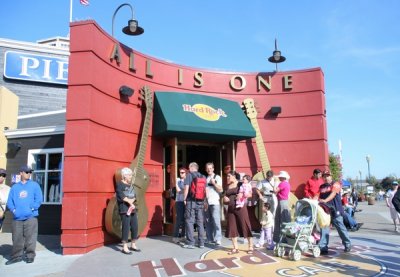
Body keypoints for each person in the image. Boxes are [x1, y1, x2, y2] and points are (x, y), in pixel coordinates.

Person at [6, 165, 42, 265]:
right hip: (17, 217)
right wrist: (14, 211)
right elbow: (10, 201)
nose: (29, 174)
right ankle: (16, 256)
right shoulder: (15, 187)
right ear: (21, 173)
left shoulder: (35, 185)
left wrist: (32, 208)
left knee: (31, 238)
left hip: (31, 217)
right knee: (17, 237)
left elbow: (38, 199)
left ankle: (30, 256)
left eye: (30, 172)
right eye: (27, 172)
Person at [318, 170, 351, 255]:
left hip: (335, 210)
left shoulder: (336, 184)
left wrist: (325, 200)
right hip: (325, 211)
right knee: (324, 228)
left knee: (340, 228)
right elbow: (317, 195)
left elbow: (333, 194)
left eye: (327, 176)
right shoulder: (321, 187)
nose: (326, 178)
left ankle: (347, 244)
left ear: (331, 176)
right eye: (324, 176)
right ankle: (323, 247)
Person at [223, 170, 253, 254]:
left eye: (229, 176)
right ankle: (235, 248)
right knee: (232, 227)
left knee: (245, 225)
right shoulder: (227, 186)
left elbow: (250, 194)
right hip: (231, 209)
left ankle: (250, 246)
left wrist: (243, 195)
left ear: (234, 176)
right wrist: (224, 199)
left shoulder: (241, 184)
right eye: (227, 176)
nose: (227, 178)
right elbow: (225, 198)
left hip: (240, 208)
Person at [115, 167, 140, 254]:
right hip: (124, 209)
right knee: (126, 227)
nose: (131, 177)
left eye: (131, 175)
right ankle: (124, 246)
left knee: (135, 226)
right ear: (124, 176)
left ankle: (133, 244)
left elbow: (134, 196)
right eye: (129, 175)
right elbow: (121, 196)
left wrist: (132, 202)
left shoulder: (130, 185)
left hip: (132, 209)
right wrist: (130, 202)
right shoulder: (120, 184)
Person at [183, 162, 206, 249]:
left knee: (189, 221)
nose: (188, 170)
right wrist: (205, 201)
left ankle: (191, 243)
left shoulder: (189, 175)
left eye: (189, 168)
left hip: (191, 201)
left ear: (192, 168)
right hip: (200, 201)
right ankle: (201, 243)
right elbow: (205, 190)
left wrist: (184, 199)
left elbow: (186, 188)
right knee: (200, 222)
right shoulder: (203, 176)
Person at [204, 162, 223, 245]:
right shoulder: (206, 178)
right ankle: (209, 238)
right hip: (207, 202)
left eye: (211, 168)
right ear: (206, 169)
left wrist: (214, 183)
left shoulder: (217, 177)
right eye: (208, 168)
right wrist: (204, 201)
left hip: (214, 202)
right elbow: (204, 191)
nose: (209, 170)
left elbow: (221, 190)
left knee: (216, 220)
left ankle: (218, 238)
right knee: (207, 221)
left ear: (213, 169)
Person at [273, 170, 292, 242]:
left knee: (283, 220)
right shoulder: (286, 184)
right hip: (283, 201)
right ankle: (282, 237)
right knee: (282, 219)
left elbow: (275, 191)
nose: (279, 178)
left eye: (280, 177)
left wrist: (275, 183)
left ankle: (283, 238)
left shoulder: (282, 184)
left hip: (282, 202)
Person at [172, 167, 187, 243]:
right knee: (179, 219)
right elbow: (178, 190)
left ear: (186, 173)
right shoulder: (178, 180)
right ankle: (175, 236)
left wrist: (184, 190)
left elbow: (187, 190)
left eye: (182, 172)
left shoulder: (187, 180)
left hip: (186, 201)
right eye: (180, 172)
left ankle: (183, 235)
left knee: (185, 219)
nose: (181, 174)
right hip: (179, 201)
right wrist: (185, 189)